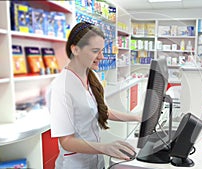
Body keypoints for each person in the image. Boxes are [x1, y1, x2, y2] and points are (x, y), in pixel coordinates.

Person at [46, 22, 140, 169]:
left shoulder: (91, 76)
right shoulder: (60, 88)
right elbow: (66, 141)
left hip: (96, 162)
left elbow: (102, 110)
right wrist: (104, 147)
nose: (101, 57)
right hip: (75, 165)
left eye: (102, 51)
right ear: (75, 49)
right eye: (96, 51)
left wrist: (136, 117)